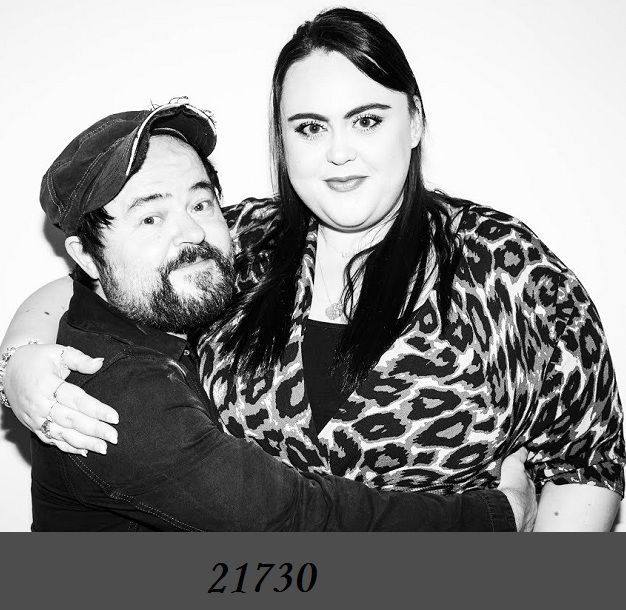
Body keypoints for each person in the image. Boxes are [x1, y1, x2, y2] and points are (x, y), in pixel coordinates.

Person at [2, 8, 623, 530]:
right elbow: (88, 285)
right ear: (283, 140)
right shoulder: (245, 240)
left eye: (367, 120)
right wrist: (20, 361)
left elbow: (585, 464)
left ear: (414, 121)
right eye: (310, 127)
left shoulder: (506, 267)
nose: (339, 152)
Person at [20, 101, 532, 531]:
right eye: (151, 217)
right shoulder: (114, 394)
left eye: (200, 205)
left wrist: (14, 357)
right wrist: (495, 515)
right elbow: (293, 519)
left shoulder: (166, 311)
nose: (192, 234)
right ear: (87, 257)